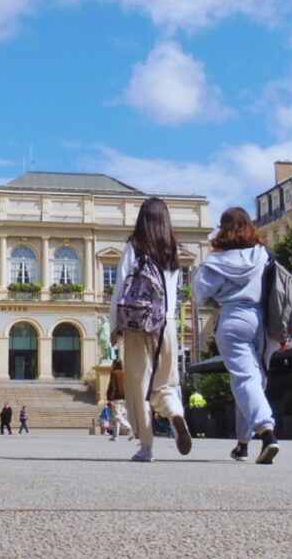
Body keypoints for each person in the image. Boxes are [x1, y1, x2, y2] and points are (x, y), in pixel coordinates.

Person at [193, 207, 282, 465]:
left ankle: (267, 433)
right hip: (261, 319)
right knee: (252, 380)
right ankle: (243, 444)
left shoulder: (217, 260)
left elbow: (199, 294)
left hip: (232, 319)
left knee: (244, 379)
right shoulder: (263, 254)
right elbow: (275, 289)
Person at [109, 196, 192, 463]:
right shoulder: (172, 250)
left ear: (141, 219)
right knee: (165, 381)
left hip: (136, 323)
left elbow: (121, 287)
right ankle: (175, 413)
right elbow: (174, 292)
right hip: (165, 323)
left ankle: (146, 447)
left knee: (138, 384)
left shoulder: (134, 245)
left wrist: (115, 325)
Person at [106, 358, 132, 440]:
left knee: (117, 416)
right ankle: (115, 436)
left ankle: (129, 427)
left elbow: (113, 387)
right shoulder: (124, 373)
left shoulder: (114, 373)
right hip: (123, 397)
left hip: (116, 398)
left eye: (113, 364)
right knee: (117, 417)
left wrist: (110, 399)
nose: (111, 365)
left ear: (115, 365)